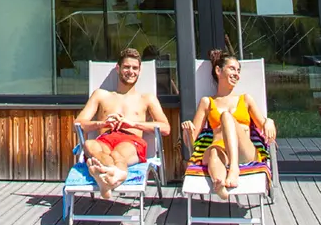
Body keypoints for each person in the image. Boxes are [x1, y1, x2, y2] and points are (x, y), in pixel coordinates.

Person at [74, 47, 171, 199]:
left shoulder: (146, 98)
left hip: (131, 141)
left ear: (140, 71)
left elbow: (165, 128)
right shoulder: (101, 95)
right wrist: (101, 124)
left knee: (116, 153)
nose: (130, 71)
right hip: (104, 139)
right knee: (89, 145)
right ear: (118, 68)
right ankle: (111, 178)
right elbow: (78, 124)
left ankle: (101, 175)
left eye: (135, 68)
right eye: (126, 67)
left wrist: (132, 124)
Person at [181, 49, 276, 200]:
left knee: (226, 117)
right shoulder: (207, 102)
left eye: (238, 70)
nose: (237, 74)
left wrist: (269, 121)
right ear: (218, 70)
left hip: (244, 152)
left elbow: (265, 126)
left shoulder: (245, 99)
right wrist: (188, 130)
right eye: (232, 68)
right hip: (218, 149)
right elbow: (191, 143)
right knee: (213, 152)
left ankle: (234, 169)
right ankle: (219, 183)